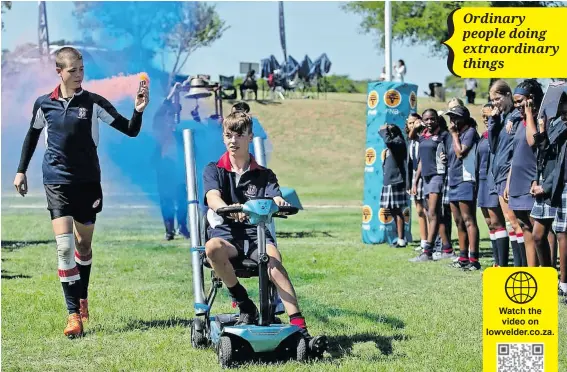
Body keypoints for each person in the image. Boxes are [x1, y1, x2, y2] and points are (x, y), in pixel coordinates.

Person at [13, 47, 149, 338]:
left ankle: (82, 296)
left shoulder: (94, 102)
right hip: (56, 180)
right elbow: (32, 135)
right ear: (59, 72)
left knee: (82, 246)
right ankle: (73, 314)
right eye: (72, 70)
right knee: (63, 247)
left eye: (81, 69)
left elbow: (130, 130)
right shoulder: (43, 104)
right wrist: (21, 170)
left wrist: (137, 110)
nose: (78, 75)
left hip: (87, 184)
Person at [202, 111, 327, 353]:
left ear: (250, 136)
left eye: (239, 135)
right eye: (228, 135)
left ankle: (301, 329)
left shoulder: (264, 174)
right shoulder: (214, 169)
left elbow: (275, 195)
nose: (233, 140)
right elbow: (212, 197)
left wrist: (279, 202)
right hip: (226, 233)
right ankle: (245, 305)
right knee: (212, 249)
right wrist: (227, 209)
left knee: (274, 263)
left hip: (256, 233)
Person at [533, 91, 567, 304]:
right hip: (547, 184)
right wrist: (543, 131)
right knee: (538, 234)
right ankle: (548, 278)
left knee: (563, 233)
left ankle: (564, 285)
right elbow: (545, 154)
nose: (563, 109)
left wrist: (545, 186)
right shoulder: (556, 124)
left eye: (566, 105)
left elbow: (562, 165)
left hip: (561, 185)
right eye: (562, 105)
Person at [503, 81, 542, 267]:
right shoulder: (519, 121)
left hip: (531, 180)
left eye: (520, 101)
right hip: (517, 181)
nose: (517, 105)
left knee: (538, 231)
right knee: (525, 227)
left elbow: (532, 141)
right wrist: (508, 183)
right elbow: (516, 154)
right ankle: (531, 270)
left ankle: (545, 270)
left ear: (531, 99)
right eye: (516, 102)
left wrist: (528, 113)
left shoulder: (541, 118)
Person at [519, 79, 557, 267]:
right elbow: (541, 150)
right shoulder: (537, 113)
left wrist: (528, 114)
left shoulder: (547, 113)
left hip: (555, 178)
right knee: (539, 234)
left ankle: (559, 279)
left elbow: (533, 142)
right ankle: (546, 273)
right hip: (541, 176)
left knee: (555, 232)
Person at [408, 109, 454, 262]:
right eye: (426, 119)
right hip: (426, 179)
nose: (429, 122)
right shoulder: (423, 136)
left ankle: (427, 252)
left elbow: (451, 152)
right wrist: (415, 181)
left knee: (433, 213)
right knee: (433, 215)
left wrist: (445, 156)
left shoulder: (444, 135)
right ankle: (447, 249)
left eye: (432, 119)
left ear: (437, 119)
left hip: (438, 177)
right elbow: (411, 137)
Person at [486, 80, 522, 267]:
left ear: (508, 95)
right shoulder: (501, 119)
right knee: (510, 224)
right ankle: (516, 266)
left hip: (510, 176)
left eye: (498, 98)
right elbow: (493, 147)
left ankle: (522, 266)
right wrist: (493, 121)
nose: (495, 103)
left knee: (516, 223)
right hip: (499, 176)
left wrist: (513, 119)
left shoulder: (516, 116)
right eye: (492, 100)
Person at [153, 82, 191, 240]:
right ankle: (169, 230)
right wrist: (173, 92)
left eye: (172, 115)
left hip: (179, 169)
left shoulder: (179, 133)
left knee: (182, 199)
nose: (170, 118)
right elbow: (160, 112)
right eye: (168, 115)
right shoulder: (159, 129)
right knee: (166, 200)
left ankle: (182, 227)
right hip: (164, 169)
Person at [445, 106, 481, 270]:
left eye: (456, 117)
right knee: (458, 221)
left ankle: (474, 260)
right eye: (451, 117)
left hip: (466, 180)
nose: (452, 120)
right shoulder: (457, 135)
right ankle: (463, 258)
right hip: (453, 181)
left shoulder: (470, 132)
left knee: (469, 220)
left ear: (465, 118)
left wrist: (453, 134)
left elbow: (461, 153)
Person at [477, 104, 508, 267]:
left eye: (488, 115)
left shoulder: (498, 133)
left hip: (492, 179)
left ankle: (503, 265)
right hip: (481, 181)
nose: (485, 118)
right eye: (483, 115)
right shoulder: (483, 135)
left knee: (497, 222)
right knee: (489, 224)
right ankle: (496, 263)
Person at [378, 124, 408, 248]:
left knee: (397, 210)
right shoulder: (392, 146)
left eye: (388, 132)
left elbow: (388, 142)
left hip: (396, 181)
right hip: (389, 181)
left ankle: (401, 239)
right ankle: (399, 238)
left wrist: (384, 131)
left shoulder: (398, 142)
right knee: (393, 210)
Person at [406, 113, 428, 252]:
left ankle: (433, 241)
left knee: (428, 210)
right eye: (409, 123)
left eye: (415, 122)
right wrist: (410, 182)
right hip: (414, 175)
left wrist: (417, 127)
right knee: (419, 210)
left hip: (425, 175)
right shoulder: (410, 141)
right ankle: (424, 241)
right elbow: (408, 163)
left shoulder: (423, 137)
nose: (412, 125)